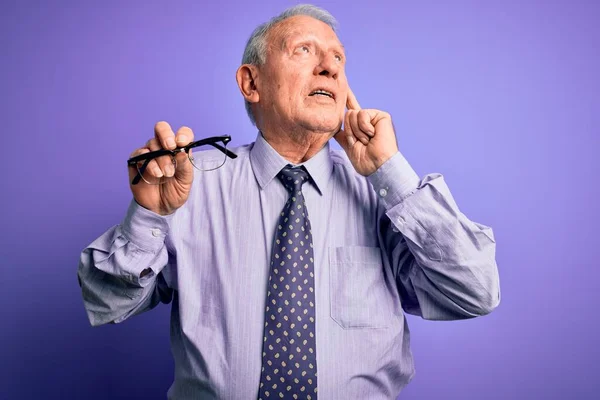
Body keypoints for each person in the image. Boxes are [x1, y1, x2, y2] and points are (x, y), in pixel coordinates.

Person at [78, 4, 500, 399]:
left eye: (338, 59)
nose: (329, 67)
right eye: (304, 51)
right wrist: (150, 214)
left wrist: (388, 168)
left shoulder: (384, 196)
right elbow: (105, 302)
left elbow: (475, 292)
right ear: (251, 82)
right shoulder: (187, 184)